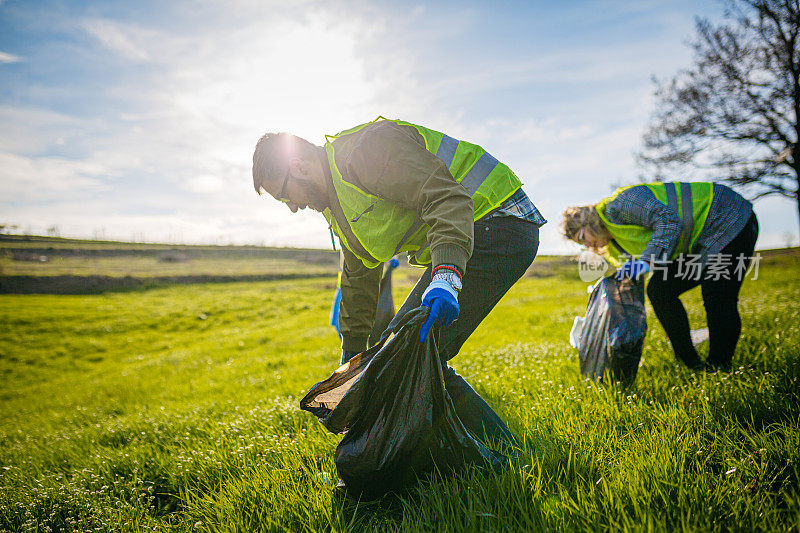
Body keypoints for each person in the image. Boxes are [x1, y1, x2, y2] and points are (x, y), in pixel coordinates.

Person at [252, 116, 545, 448]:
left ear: (299, 166)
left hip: (499, 217)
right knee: (400, 353)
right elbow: (358, 277)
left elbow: (447, 198)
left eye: (284, 194)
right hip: (475, 231)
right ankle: (466, 456)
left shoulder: (365, 151)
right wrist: (351, 357)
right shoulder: (337, 207)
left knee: (412, 354)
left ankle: (506, 457)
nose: (292, 207)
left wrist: (446, 275)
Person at [561, 181, 758, 372]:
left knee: (717, 294)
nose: (587, 246)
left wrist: (646, 262)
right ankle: (690, 364)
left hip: (726, 215)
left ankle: (718, 368)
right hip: (699, 243)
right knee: (660, 290)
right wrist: (595, 322)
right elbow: (629, 288)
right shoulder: (616, 247)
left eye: (582, 238)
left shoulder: (621, 204)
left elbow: (668, 220)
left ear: (589, 222)